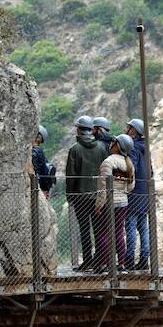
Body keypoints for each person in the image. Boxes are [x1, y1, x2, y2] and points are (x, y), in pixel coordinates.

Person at [65, 114, 108, 271]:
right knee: (98, 229)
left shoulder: (74, 150)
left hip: (81, 197)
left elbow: (71, 176)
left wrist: (70, 195)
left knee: (84, 229)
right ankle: (99, 261)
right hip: (98, 196)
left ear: (79, 130)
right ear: (91, 130)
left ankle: (87, 261)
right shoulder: (102, 148)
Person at [95, 134, 136, 271]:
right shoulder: (129, 164)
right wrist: (122, 193)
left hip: (108, 203)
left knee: (103, 232)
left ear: (117, 145)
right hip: (123, 203)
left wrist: (99, 205)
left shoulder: (108, 162)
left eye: (114, 142)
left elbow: (103, 186)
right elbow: (130, 186)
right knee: (119, 232)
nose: (111, 144)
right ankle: (122, 263)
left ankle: (104, 264)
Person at [124, 117, 151, 270]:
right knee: (143, 227)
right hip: (145, 191)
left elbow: (131, 169)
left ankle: (129, 258)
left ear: (134, 131)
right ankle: (144, 259)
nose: (126, 129)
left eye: (129, 127)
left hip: (133, 192)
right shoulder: (146, 147)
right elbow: (151, 170)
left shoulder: (133, 147)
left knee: (131, 226)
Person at [31, 124, 56, 197]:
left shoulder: (35, 151)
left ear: (38, 137)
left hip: (37, 184)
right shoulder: (39, 151)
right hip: (41, 184)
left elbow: (36, 169)